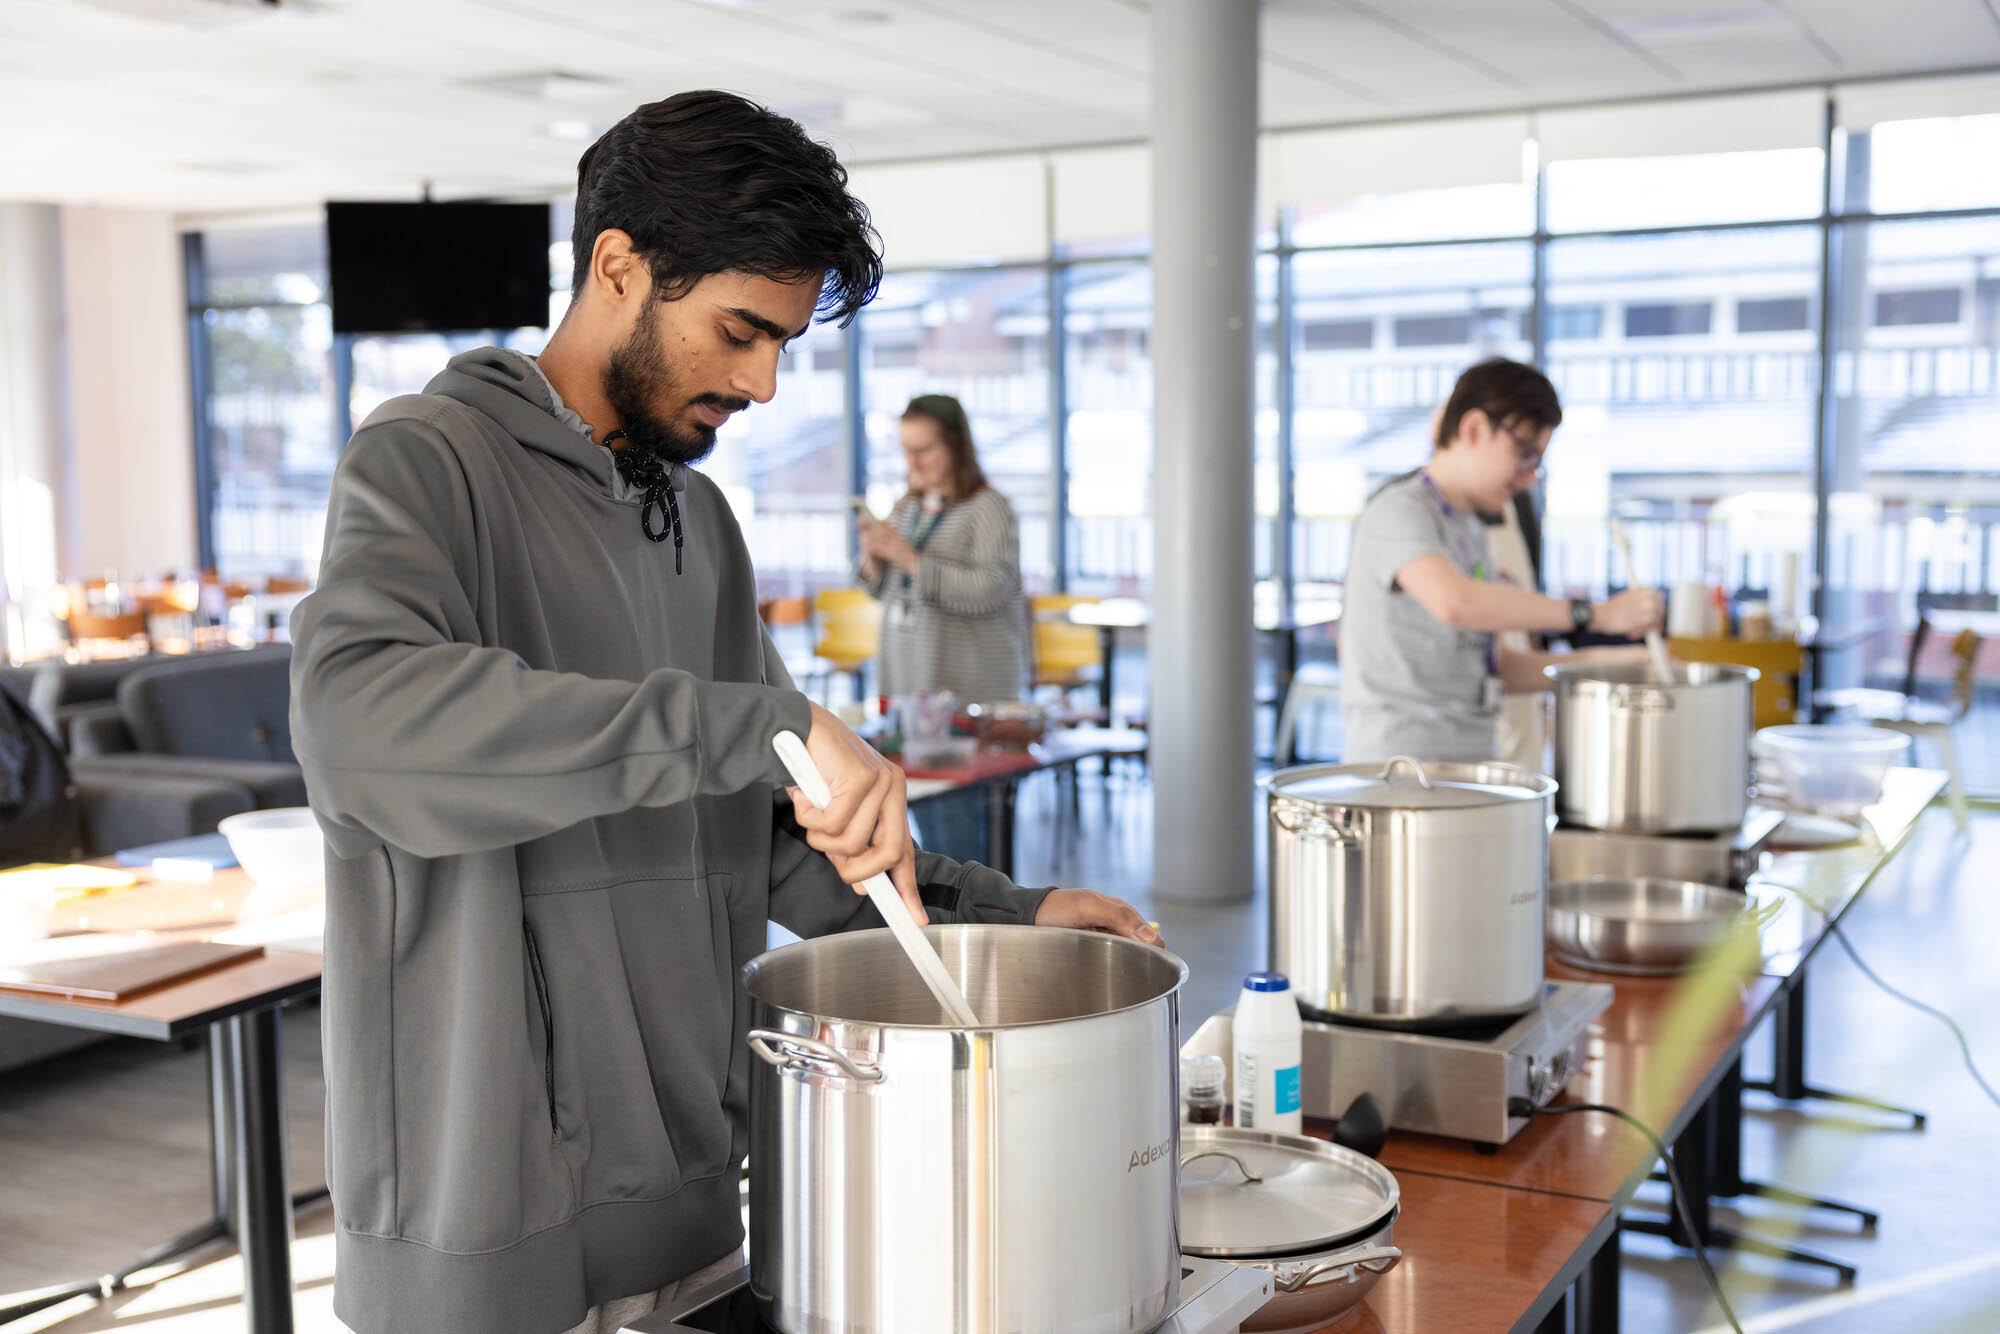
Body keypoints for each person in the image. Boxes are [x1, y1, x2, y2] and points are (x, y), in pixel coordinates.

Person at [289, 91, 1154, 1334]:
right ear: (618, 268)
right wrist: (753, 725)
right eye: (739, 330)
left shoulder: (698, 524)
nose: (760, 382)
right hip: (481, 1239)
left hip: (698, 1211)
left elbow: (761, 831)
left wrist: (1008, 919)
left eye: (783, 344)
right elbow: (360, 725)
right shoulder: (426, 458)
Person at [1339, 358, 1664, 765]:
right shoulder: (1399, 509)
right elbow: (1456, 603)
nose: (1530, 476)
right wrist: (1595, 615)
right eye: (1525, 454)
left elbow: (1498, 669)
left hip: (1467, 764)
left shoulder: (1472, 529)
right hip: (1399, 771)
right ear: (1474, 428)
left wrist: (1605, 665)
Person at [858, 394, 1028, 703]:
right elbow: (882, 591)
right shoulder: (907, 507)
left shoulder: (989, 508)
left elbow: (990, 591)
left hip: (969, 691)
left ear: (956, 446)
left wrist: (912, 562)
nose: (912, 463)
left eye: (922, 450)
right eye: (906, 451)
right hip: (906, 680)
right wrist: (874, 559)